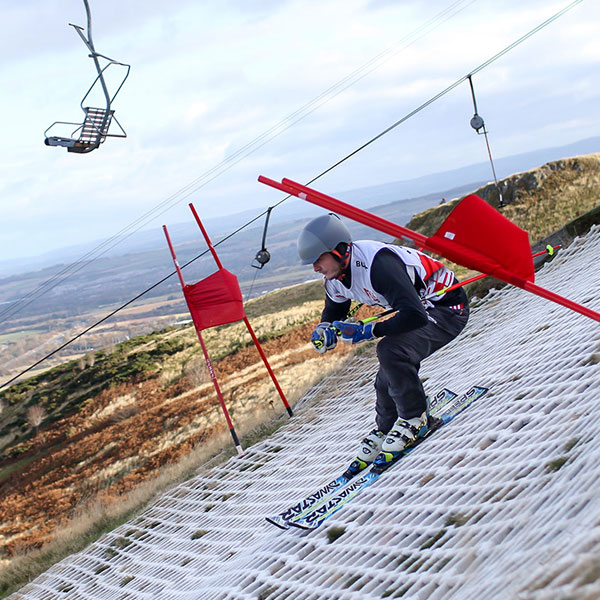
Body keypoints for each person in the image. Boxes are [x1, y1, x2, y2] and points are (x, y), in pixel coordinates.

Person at [298, 212, 469, 472]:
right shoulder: (335, 279)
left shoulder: (379, 266)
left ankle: (415, 418)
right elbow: (334, 310)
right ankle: (386, 426)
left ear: (339, 251)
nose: (315, 268)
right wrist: (326, 327)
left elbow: (414, 316)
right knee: (388, 371)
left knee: (391, 349)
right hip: (423, 309)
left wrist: (370, 330)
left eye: (318, 260)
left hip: (447, 308)